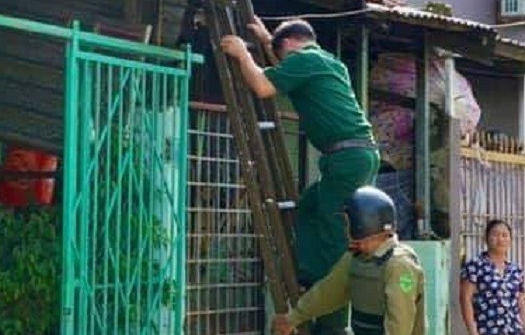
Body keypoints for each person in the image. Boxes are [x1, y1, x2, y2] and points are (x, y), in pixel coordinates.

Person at [221, 17, 380, 334]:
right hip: (354, 156)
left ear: (290, 46)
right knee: (308, 208)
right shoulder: (327, 62)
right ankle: (309, 274)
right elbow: (285, 69)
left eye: (281, 55)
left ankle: (333, 321)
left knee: (335, 232)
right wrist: (268, 41)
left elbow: (264, 85)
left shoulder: (304, 60)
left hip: (346, 158)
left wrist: (242, 53)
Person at [271, 186, 426, 335]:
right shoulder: (356, 258)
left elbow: (399, 323)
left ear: (364, 222)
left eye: (348, 223)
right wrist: (293, 318)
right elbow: (328, 292)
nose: (346, 230)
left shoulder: (399, 265)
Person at [460, 218, 525, 335]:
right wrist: (473, 332)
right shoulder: (475, 265)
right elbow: (465, 299)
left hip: (514, 330)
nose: (500, 239)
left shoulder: (516, 270)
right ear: (486, 238)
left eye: (505, 235)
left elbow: (521, 303)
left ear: (510, 240)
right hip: (486, 330)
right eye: (495, 235)